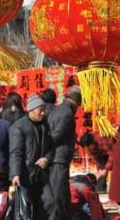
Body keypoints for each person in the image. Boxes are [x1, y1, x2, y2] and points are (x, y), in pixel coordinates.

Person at [9, 94, 54, 220]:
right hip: (25, 174)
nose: (43, 113)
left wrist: (47, 159)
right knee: (25, 208)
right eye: (41, 110)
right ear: (31, 110)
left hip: (41, 174)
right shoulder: (19, 127)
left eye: (44, 110)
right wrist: (15, 174)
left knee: (49, 202)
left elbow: (51, 147)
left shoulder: (45, 125)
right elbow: (15, 152)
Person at [48, 85, 82, 219]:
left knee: (60, 193)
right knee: (58, 195)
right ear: (77, 102)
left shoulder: (58, 110)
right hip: (58, 159)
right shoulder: (67, 113)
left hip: (56, 158)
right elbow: (57, 135)